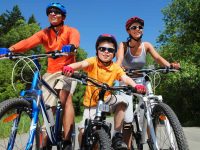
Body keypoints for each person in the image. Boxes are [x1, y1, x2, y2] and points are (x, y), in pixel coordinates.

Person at [0, 2, 80, 149]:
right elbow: (28, 42)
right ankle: (48, 134)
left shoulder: (71, 31)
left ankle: (67, 139)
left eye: (56, 12)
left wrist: (72, 47)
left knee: (64, 97)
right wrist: (10, 49)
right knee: (47, 105)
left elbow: (75, 41)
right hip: (50, 72)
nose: (52, 14)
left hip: (67, 70)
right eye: (50, 12)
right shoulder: (44, 33)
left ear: (63, 16)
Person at [63, 34, 146, 150]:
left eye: (110, 50)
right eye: (102, 49)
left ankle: (117, 135)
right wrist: (70, 67)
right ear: (97, 50)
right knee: (83, 131)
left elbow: (125, 78)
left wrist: (136, 85)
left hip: (107, 99)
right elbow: (82, 64)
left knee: (123, 102)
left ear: (114, 53)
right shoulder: (93, 61)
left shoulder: (115, 67)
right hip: (92, 103)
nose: (106, 52)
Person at [116, 16, 180, 149]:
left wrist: (170, 66)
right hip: (126, 79)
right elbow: (119, 59)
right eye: (134, 27)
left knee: (150, 106)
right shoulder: (123, 45)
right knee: (127, 118)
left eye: (140, 27)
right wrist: (117, 69)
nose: (137, 29)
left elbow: (157, 58)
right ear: (128, 31)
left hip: (142, 79)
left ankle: (152, 140)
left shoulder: (147, 45)